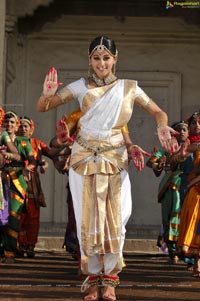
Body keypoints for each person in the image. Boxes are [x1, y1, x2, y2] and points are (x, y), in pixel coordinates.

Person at [36, 36, 178, 301]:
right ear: (90, 60)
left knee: (116, 219)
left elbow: (158, 112)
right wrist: (46, 95)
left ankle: (110, 281)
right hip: (83, 159)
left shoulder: (129, 87)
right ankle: (92, 281)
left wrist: (161, 125)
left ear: (115, 59)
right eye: (96, 58)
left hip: (115, 158)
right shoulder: (79, 86)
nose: (102, 63)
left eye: (106, 57)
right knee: (86, 219)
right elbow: (44, 107)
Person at [16, 116, 62, 258]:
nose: (23, 129)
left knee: (33, 216)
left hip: (32, 184)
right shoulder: (12, 142)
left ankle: (30, 245)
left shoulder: (37, 143)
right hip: (16, 181)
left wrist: (65, 142)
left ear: (31, 129)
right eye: (21, 126)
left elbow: (52, 153)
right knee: (17, 215)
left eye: (26, 126)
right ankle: (18, 245)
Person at [146, 121, 189, 264]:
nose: (181, 132)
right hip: (170, 184)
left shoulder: (192, 146)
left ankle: (184, 250)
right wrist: (159, 164)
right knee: (170, 217)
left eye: (184, 130)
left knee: (184, 216)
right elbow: (151, 162)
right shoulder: (167, 148)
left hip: (188, 184)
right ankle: (172, 251)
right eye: (178, 130)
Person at [0, 111, 36, 263]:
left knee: (13, 218)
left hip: (16, 182)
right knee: (1, 218)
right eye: (7, 122)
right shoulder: (1, 138)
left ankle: (10, 254)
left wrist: (29, 168)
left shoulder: (23, 142)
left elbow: (31, 160)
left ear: (17, 126)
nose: (9, 124)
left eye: (12, 123)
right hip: (1, 181)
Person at [176, 111, 200, 277]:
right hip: (194, 188)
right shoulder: (188, 144)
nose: (197, 126)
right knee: (194, 223)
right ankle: (196, 262)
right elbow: (175, 159)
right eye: (194, 122)